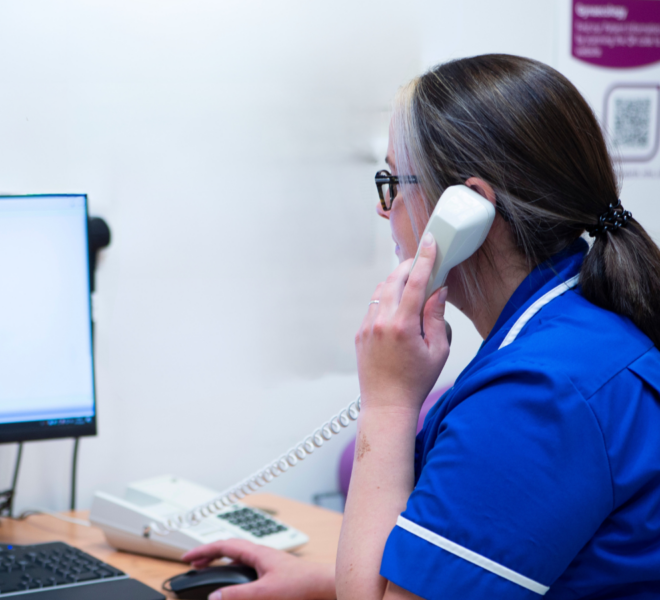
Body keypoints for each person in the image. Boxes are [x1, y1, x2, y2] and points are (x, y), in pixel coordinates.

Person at [182, 54, 660, 599]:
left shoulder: (539, 397)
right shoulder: (578, 331)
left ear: (468, 210)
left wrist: (387, 401)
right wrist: (321, 584)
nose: (385, 211)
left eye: (393, 180)